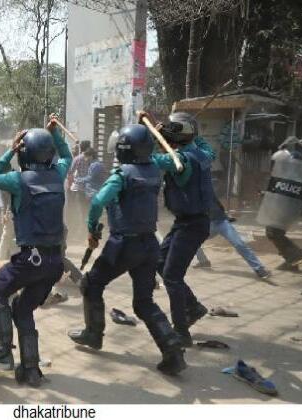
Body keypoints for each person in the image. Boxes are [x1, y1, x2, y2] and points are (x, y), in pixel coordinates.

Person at [67, 124, 186, 375]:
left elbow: (98, 200)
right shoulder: (154, 169)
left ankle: (93, 334)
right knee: (143, 302)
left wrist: (92, 228)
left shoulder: (121, 175)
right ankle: (172, 348)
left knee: (91, 284)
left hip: (124, 245)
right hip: (149, 244)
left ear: (122, 149)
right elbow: (167, 158)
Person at [0, 115, 72, 388]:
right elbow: (66, 155)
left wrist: (10, 149)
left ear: (24, 152)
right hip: (55, 261)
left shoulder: (19, 181)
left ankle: (3, 353)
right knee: (22, 308)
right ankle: (30, 369)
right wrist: (55, 134)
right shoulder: (59, 173)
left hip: (31, 259)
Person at [151, 111, 216, 348]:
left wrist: (153, 136)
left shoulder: (180, 158)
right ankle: (194, 306)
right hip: (190, 222)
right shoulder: (203, 154)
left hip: (192, 224)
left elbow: (152, 160)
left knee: (172, 277)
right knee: (159, 261)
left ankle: (181, 332)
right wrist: (169, 134)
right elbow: (206, 146)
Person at [259, 137, 302, 272]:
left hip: (286, 209)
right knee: (274, 232)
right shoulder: (291, 174)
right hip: (284, 208)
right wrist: (266, 194)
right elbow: (280, 190)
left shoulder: (296, 176)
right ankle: (292, 258)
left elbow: (290, 194)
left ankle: (294, 255)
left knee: (274, 232)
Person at [193, 195, 271, 279]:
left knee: (239, 244)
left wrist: (226, 216)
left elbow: (218, 205)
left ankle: (259, 268)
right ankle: (203, 261)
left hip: (221, 222)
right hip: (206, 226)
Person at [66, 141, 92, 235]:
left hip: (78, 188)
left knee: (79, 211)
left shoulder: (77, 159)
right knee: (87, 211)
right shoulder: (91, 159)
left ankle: (79, 233)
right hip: (89, 189)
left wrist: (70, 185)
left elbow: (70, 172)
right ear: (88, 148)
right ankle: (85, 232)